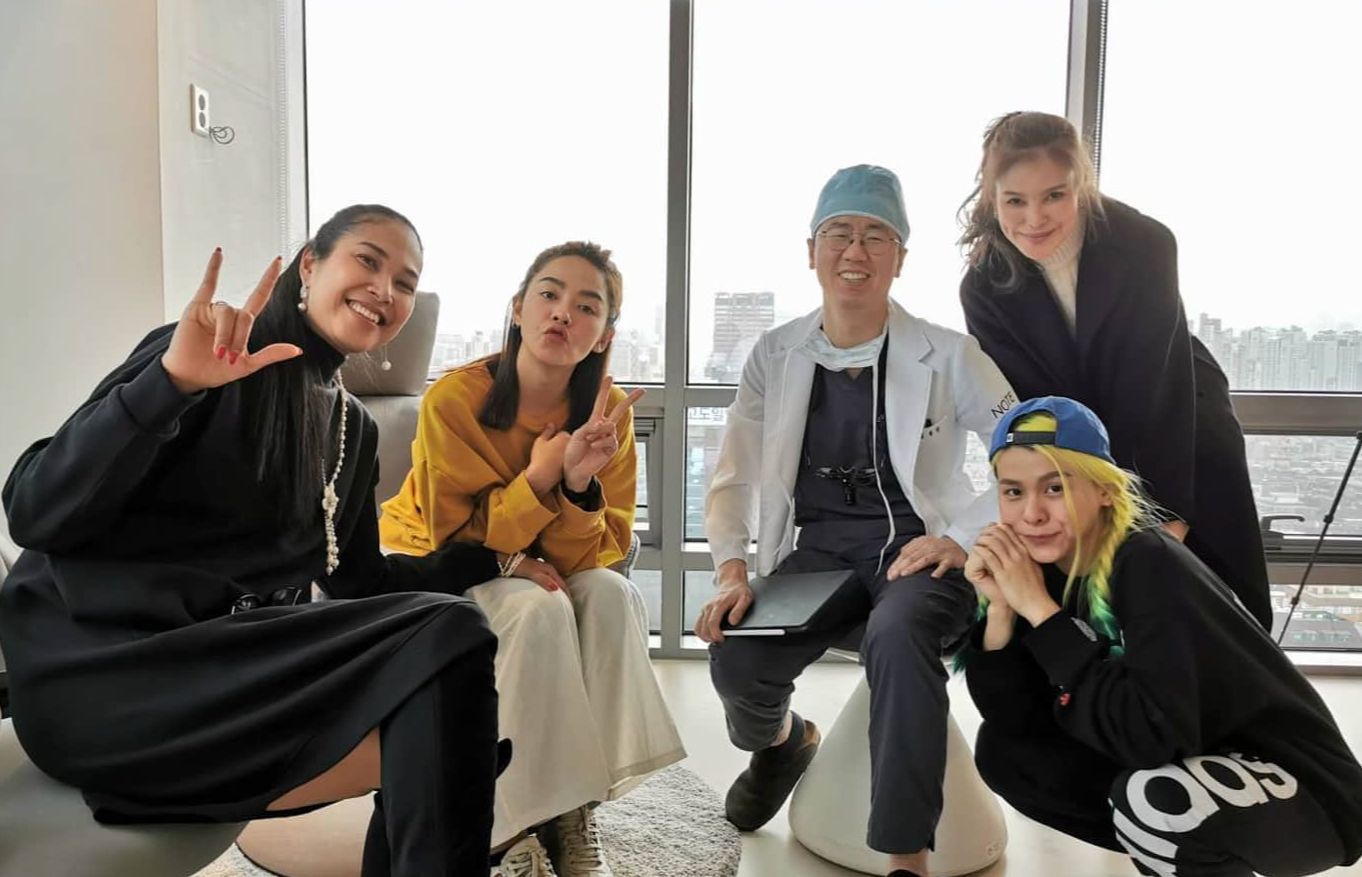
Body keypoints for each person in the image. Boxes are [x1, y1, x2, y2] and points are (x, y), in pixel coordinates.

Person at [0, 205, 507, 876]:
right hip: (102, 677)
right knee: (448, 679)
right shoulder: (206, 357)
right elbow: (34, 508)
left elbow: (365, 584)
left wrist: (491, 558)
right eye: (368, 260)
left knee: (448, 673)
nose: (386, 288)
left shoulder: (354, 433)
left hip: (224, 675)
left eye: (407, 281)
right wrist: (169, 385)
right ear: (310, 266)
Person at [697, 164, 1016, 877]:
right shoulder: (774, 353)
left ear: (900, 258)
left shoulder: (949, 353)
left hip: (919, 553)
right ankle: (780, 744)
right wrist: (731, 570)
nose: (856, 250)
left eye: (878, 236)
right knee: (737, 652)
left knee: (899, 635)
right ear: (810, 250)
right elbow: (734, 473)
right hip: (820, 553)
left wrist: (960, 539)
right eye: (840, 232)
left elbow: (1024, 448)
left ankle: (907, 855)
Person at [380, 241, 685, 877]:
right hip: (433, 559)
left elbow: (603, 553)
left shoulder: (607, 417)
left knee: (610, 594)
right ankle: (503, 822)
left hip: (537, 563)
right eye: (548, 295)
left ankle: (571, 807)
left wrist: (576, 485)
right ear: (518, 309)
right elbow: (447, 532)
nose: (562, 314)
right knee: (536, 607)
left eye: (586, 306)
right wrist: (538, 481)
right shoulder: (455, 400)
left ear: (604, 335)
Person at [961, 395, 1362, 876]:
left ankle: (1188, 849)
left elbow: (1151, 740)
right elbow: (1016, 719)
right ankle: (1191, 855)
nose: (1032, 515)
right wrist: (1003, 610)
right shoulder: (1043, 571)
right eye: (1013, 493)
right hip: (1203, 765)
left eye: (1054, 488)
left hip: (1304, 793)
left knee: (1155, 801)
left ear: (1104, 491)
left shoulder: (1149, 563)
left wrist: (1043, 615)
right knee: (1008, 754)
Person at [957, 110, 1271, 631]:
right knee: (1101, 603)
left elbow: (1151, 391)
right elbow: (1040, 409)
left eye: (1053, 195)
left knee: (1212, 589)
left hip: (1183, 422)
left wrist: (1161, 512)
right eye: (1015, 200)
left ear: (1080, 185)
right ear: (993, 198)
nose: (1034, 219)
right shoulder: (984, 287)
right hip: (1077, 441)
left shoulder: (1146, 244)